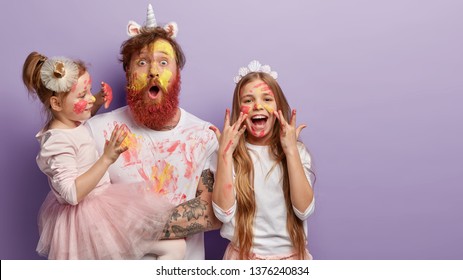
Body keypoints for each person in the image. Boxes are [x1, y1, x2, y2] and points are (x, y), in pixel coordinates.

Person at [85, 4, 220, 259]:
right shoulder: (96, 131)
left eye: (164, 62)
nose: (154, 71)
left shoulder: (204, 136)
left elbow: (211, 212)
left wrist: (126, 226)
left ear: (177, 74)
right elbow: (81, 214)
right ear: (128, 73)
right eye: (143, 62)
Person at [22, 51, 185, 259]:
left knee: (173, 247)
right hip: (86, 220)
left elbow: (79, 123)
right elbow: (71, 194)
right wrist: (106, 159)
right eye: (82, 95)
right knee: (172, 248)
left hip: (101, 204)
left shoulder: (68, 121)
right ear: (56, 104)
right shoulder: (56, 143)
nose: (89, 98)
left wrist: (96, 100)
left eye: (89, 91)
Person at [210, 60, 316, 260]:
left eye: (267, 99)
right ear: (238, 109)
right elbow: (223, 214)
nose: (258, 105)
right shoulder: (229, 154)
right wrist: (225, 155)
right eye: (248, 100)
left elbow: (304, 210)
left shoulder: (297, 151)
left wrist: (291, 151)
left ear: (279, 107)